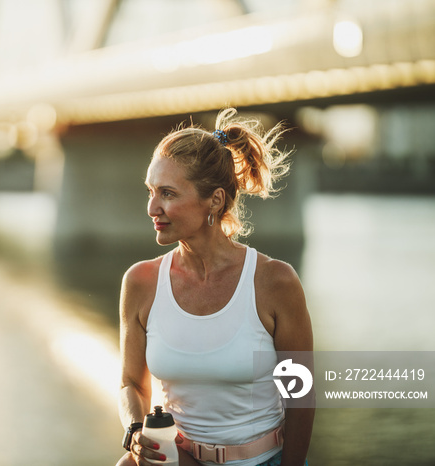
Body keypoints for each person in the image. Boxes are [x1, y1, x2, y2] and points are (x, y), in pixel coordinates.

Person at [116, 109, 314, 466]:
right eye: (151, 191)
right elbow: (131, 382)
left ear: (215, 201)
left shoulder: (276, 282)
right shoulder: (140, 283)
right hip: (175, 460)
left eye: (168, 193)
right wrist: (134, 430)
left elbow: (301, 401)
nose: (151, 207)